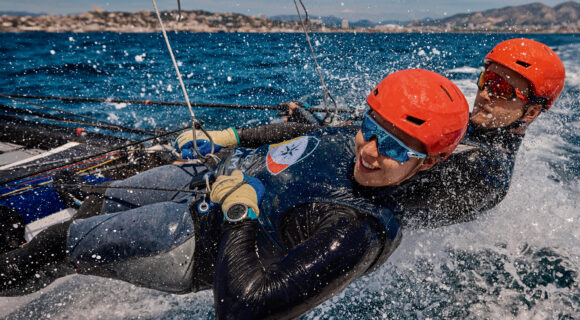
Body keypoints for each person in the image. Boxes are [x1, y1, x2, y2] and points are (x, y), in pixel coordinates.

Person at [1, 69, 469, 319]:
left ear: (430, 161)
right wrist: (231, 137)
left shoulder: (354, 232)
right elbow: (310, 134)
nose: (368, 150)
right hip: (207, 185)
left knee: (54, 245)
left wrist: (240, 213)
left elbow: (245, 309)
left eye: (392, 146)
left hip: (194, 240)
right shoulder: (357, 137)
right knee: (100, 199)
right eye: (369, 129)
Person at [393, 38, 566, 227]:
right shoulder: (463, 127)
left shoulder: (485, 173)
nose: (484, 93)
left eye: (501, 88)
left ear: (531, 112)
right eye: (486, 80)